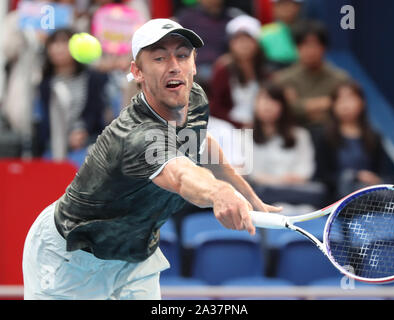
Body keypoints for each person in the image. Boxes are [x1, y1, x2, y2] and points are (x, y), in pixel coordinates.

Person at [22, 18, 281, 300]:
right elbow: (180, 175)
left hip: (135, 253)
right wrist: (219, 192)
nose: (174, 65)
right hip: (72, 258)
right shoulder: (135, 135)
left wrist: (248, 196)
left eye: (182, 55)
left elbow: (201, 145)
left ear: (194, 63)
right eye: (159, 57)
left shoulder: (192, 97)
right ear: (138, 71)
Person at [34, 28, 109, 166]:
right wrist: (64, 138)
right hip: (54, 146)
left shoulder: (93, 78)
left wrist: (82, 132)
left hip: (88, 142)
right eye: (54, 43)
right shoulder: (44, 84)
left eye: (64, 42)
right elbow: (43, 122)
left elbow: (96, 112)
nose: (58, 48)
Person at [244, 82, 325, 207]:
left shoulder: (301, 134)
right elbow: (251, 173)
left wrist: (294, 179)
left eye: (273, 101)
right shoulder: (244, 135)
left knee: (318, 192)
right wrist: (278, 181)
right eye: (262, 100)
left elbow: (306, 168)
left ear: (283, 106)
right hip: (264, 190)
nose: (267, 105)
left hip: (296, 188)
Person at [314, 81, 392, 199]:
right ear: (333, 105)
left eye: (350, 99)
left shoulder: (374, 136)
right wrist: (354, 176)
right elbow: (320, 175)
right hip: (337, 197)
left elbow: (383, 173)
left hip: (371, 194)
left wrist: (374, 179)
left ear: (362, 103)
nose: (345, 106)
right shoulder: (324, 136)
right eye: (340, 100)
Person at [273, 20, 350, 129]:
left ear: (324, 47)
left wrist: (300, 105)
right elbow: (283, 109)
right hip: (294, 136)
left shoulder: (340, 79)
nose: (309, 51)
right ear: (296, 48)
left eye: (314, 45)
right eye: (303, 45)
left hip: (331, 135)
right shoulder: (283, 79)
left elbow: (346, 109)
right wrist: (325, 103)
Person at [209, 14, 269, 128]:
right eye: (238, 39)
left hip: (260, 128)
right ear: (231, 43)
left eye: (248, 40)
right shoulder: (223, 70)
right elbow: (215, 107)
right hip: (229, 128)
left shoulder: (265, 72)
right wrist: (240, 124)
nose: (244, 44)